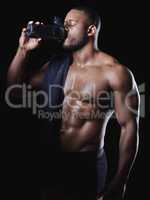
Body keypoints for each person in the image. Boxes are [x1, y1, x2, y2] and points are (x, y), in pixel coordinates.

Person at [7, 6, 140, 200]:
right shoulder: (57, 64)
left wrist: (121, 181)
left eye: (71, 24)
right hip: (52, 161)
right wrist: (23, 50)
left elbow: (129, 128)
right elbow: (14, 91)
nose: (65, 29)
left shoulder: (115, 73)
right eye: (64, 24)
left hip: (86, 165)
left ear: (90, 30)